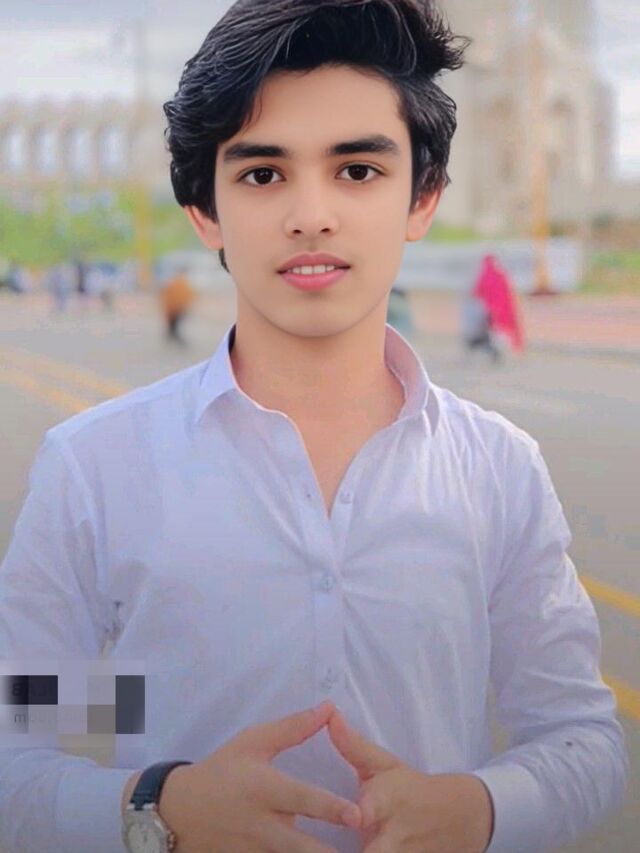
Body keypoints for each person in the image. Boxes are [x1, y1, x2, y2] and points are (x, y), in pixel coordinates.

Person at [0, 2, 628, 853]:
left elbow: (577, 734)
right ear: (205, 211)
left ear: (422, 198)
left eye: (357, 170)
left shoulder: (498, 470)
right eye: (263, 175)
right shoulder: (99, 468)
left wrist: (480, 810)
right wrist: (155, 804)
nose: (311, 213)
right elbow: (22, 746)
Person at [473, 253, 525, 354]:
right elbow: (509, 291)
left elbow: (477, 292)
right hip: (504, 306)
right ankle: (508, 347)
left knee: (493, 329)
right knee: (506, 327)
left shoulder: (484, 275)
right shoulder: (501, 274)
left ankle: (495, 348)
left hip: (490, 309)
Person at [460, 290, 503, 364]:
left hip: (473, 336)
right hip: (478, 335)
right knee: (490, 343)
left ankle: (468, 358)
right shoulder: (479, 306)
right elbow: (486, 321)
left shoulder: (470, 306)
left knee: (485, 344)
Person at [159, 269, 196, 344]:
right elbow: (188, 295)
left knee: (173, 325)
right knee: (174, 325)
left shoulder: (176, 282)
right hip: (175, 308)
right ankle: (173, 337)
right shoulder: (180, 283)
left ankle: (172, 336)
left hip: (175, 308)